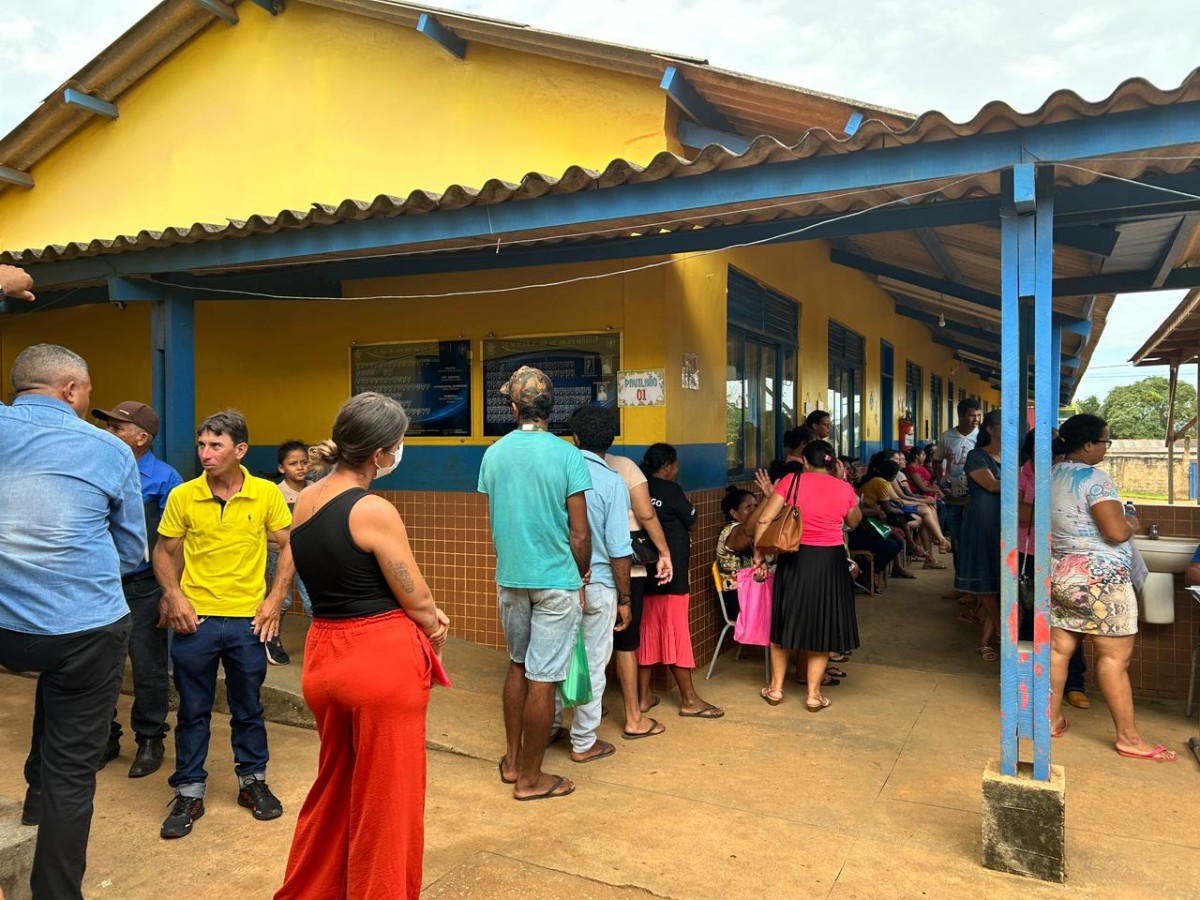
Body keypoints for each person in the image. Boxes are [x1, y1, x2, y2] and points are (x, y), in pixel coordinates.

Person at [275, 392, 450, 900]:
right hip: (378, 663)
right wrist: (434, 623)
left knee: (334, 787)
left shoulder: (307, 498)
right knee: (389, 803)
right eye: (398, 444)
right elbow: (414, 596)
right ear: (380, 454)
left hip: (324, 657)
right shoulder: (372, 509)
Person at [0, 344, 144, 899]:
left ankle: (36, 795)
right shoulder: (109, 449)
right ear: (71, 390)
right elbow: (130, 551)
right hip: (82, 628)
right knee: (71, 773)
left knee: (53, 693)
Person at [154, 410, 295, 838]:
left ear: (241, 449)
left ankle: (252, 782)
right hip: (195, 621)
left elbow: (290, 546)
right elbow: (163, 551)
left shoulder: (265, 493)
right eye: (202, 444)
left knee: (248, 707)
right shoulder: (184, 495)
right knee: (192, 709)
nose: (205, 453)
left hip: (247, 622)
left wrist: (274, 600)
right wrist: (174, 596)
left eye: (216, 445)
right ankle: (189, 791)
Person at [479, 366, 591, 801]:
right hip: (556, 580)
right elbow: (579, 533)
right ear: (551, 409)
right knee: (543, 679)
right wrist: (582, 572)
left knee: (517, 665)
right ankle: (531, 779)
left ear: (513, 408)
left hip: (511, 577)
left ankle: (512, 763)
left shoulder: (494, 454)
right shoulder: (567, 455)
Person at [1048, 414, 1176, 761]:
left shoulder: (1052, 474)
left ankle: (1051, 720)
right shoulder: (1095, 479)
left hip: (1062, 573)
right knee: (1114, 659)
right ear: (1088, 444)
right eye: (1106, 441)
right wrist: (1131, 522)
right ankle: (1129, 739)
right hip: (1102, 579)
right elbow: (1115, 532)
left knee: (1059, 650)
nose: (1107, 447)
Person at [91, 400, 183, 778]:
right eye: (109, 426)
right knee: (97, 665)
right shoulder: (96, 468)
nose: (108, 433)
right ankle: (105, 737)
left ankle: (149, 738)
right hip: (100, 585)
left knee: (148, 666)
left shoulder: (165, 479)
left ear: (142, 438)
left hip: (144, 586)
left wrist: (170, 593)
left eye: (117, 428)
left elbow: (176, 544)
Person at [549, 406, 634, 763]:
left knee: (553, 661)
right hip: (599, 586)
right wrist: (625, 598)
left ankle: (550, 726)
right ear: (610, 442)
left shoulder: (556, 474)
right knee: (594, 664)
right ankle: (584, 741)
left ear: (575, 437)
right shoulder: (612, 482)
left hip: (558, 582)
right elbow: (619, 548)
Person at [753, 440, 861, 710]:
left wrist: (759, 557)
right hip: (830, 562)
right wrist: (843, 482)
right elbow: (853, 521)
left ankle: (775, 689)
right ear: (832, 463)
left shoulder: (791, 481)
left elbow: (764, 519)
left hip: (795, 558)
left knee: (785, 621)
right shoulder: (843, 487)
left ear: (804, 461)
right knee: (822, 625)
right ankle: (813, 695)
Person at [638, 443, 723, 719]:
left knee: (647, 631)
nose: (676, 470)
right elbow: (693, 522)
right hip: (670, 571)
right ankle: (689, 699)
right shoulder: (671, 489)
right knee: (677, 632)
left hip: (643, 571)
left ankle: (643, 697)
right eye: (675, 465)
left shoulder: (638, 486)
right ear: (667, 466)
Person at [1017, 429, 1090, 707]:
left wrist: (1046, 511)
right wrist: (1056, 511)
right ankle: (1028, 681)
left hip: (1063, 554)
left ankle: (1073, 683)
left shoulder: (1065, 473)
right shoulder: (1021, 474)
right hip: (1030, 552)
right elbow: (1017, 512)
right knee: (1030, 617)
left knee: (1068, 619)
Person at [603, 446, 671, 741]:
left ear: (575, 436)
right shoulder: (624, 466)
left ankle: (588, 709)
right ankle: (633, 717)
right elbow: (646, 513)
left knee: (587, 642)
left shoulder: (567, 464)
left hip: (583, 571)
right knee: (626, 643)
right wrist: (664, 553)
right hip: (627, 571)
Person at [955, 409, 1003, 661]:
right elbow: (991, 485)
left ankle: (987, 640)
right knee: (986, 582)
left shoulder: (1012, 456)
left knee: (1000, 584)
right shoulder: (977, 456)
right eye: (1003, 424)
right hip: (983, 523)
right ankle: (1003, 632)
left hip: (1005, 523)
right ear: (990, 429)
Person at [263, 440, 314, 667]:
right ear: (282, 468)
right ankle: (271, 638)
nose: (300, 467)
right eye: (293, 463)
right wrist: (287, 540)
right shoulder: (275, 493)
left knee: (313, 603)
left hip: (309, 556)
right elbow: (264, 529)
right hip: (279, 554)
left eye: (304, 462)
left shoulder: (315, 489)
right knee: (282, 601)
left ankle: (319, 647)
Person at [933, 398, 982, 598]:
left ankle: (974, 589)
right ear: (961, 415)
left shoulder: (982, 436)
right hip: (953, 498)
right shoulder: (947, 436)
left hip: (976, 497)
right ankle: (960, 585)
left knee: (975, 543)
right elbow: (936, 461)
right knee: (957, 542)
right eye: (971, 415)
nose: (975, 419)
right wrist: (940, 482)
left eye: (978, 415)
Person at [716, 486, 759, 620]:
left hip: (754, 593)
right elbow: (746, 532)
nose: (754, 510)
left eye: (756, 506)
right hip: (737, 597)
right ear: (734, 513)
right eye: (748, 507)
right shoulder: (732, 531)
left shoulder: (756, 530)